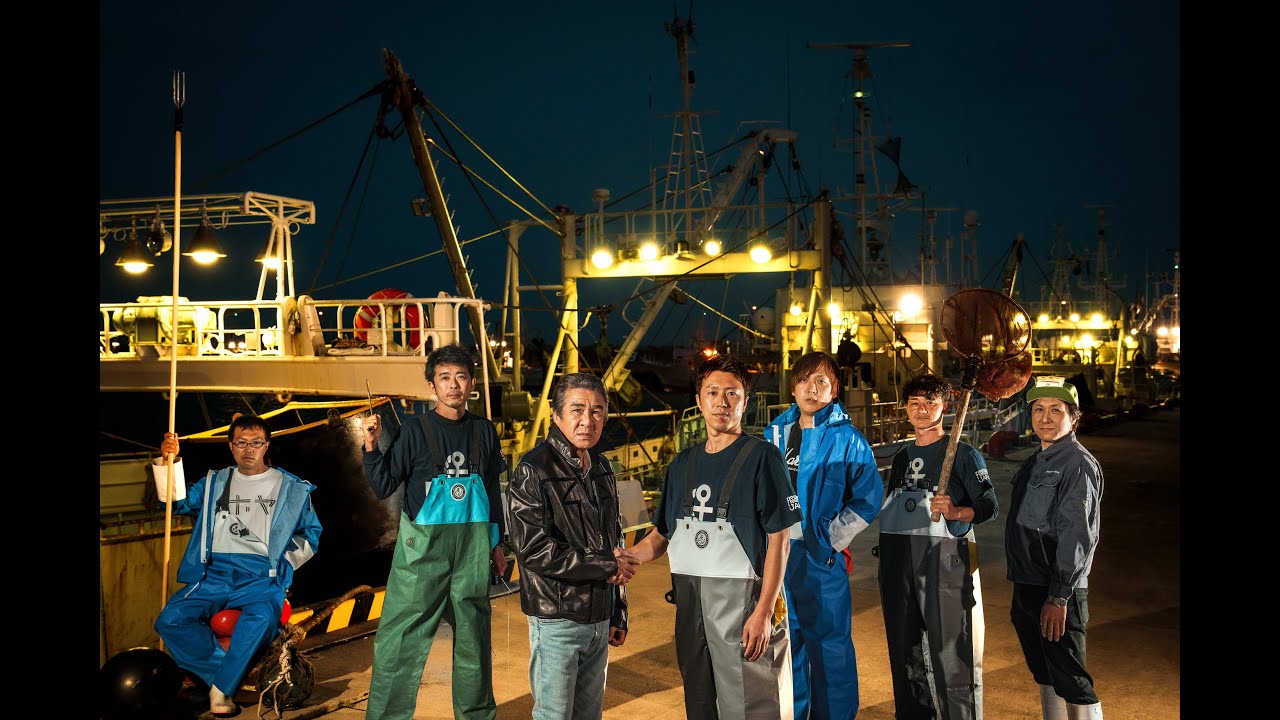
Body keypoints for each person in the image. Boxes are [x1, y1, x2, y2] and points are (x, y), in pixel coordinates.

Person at [630, 354, 802, 719]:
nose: (721, 402)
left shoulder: (763, 458)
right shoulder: (682, 463)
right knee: (700, 696)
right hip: (691, 601)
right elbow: (661, 535)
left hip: (744, 602)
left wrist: (764, 610)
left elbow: (780, 539)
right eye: (712, 392)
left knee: (753, 699)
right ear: (698, 401)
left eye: (732, 393)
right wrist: (629, 558)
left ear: (745, 402)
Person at [361, 343, 508, 720]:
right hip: (421, 556)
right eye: (445, 378)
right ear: (432, 386)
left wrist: (497, 543)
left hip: (472, 553)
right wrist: (371, 446)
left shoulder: (484, 430)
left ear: (472, 383)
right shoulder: (413, 430)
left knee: (474, 641)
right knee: (400, 641)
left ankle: (476, 715)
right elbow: (383, 485)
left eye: (460, 377)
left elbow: (491, 489)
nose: (453, 385)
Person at [153, 415, 322, 717]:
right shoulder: (214, 481)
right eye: (241, 443)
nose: (248, 450)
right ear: (231, 447)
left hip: (260, 575)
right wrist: (170, 462)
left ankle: (219, 692)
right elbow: (176, 502)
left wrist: (283, 564)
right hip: (214, 572)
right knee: (171, 619)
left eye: (256, 443)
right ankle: (226, 677)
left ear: (266, 446)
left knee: (262, 618)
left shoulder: (292, 487)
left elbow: (311, 534)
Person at [506, 372, 635, 719]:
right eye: (577, 410)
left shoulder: (603, 467)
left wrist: (617, 609)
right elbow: (533, 550)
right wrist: (607, 565)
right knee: (554, 715)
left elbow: (615, 541)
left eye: (597, 411)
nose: (587, 421)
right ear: (557, 415)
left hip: (599, 616)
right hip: (557, 619)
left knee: (588, 715)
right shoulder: (533, 469)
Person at [763, 350, 883, 720]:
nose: (812, 389)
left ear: (834, 391)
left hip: (820, 558)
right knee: (788, 643)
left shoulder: (848, 439)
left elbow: (868, 497)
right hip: (778, 559)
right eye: (805, 381)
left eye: (822, 382)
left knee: (830, 646)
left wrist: (830, 539)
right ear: (793, 387)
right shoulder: (774, 434)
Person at [877, 373, 998, 720]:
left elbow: (989, 504)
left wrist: (959, 510)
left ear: (945, 407)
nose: (922, 409)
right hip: (900, 562)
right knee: (905, 652)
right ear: (905, 409)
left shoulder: (963, 454)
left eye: (930, 402)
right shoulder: (901, 458)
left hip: (947, 562)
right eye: (914, 403)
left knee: (953, 651)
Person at [1006, 376, 1104, 720]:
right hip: (1029, 583)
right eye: (1038, 409)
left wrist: (1059, 596)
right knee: (1046, 674)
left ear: (1073, 417)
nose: (1045, 417)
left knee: (1070, 676)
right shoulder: (1037, 460)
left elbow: (1078, 534)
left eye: (1056, 410)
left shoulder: (1077, 464)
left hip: (1056, 590)